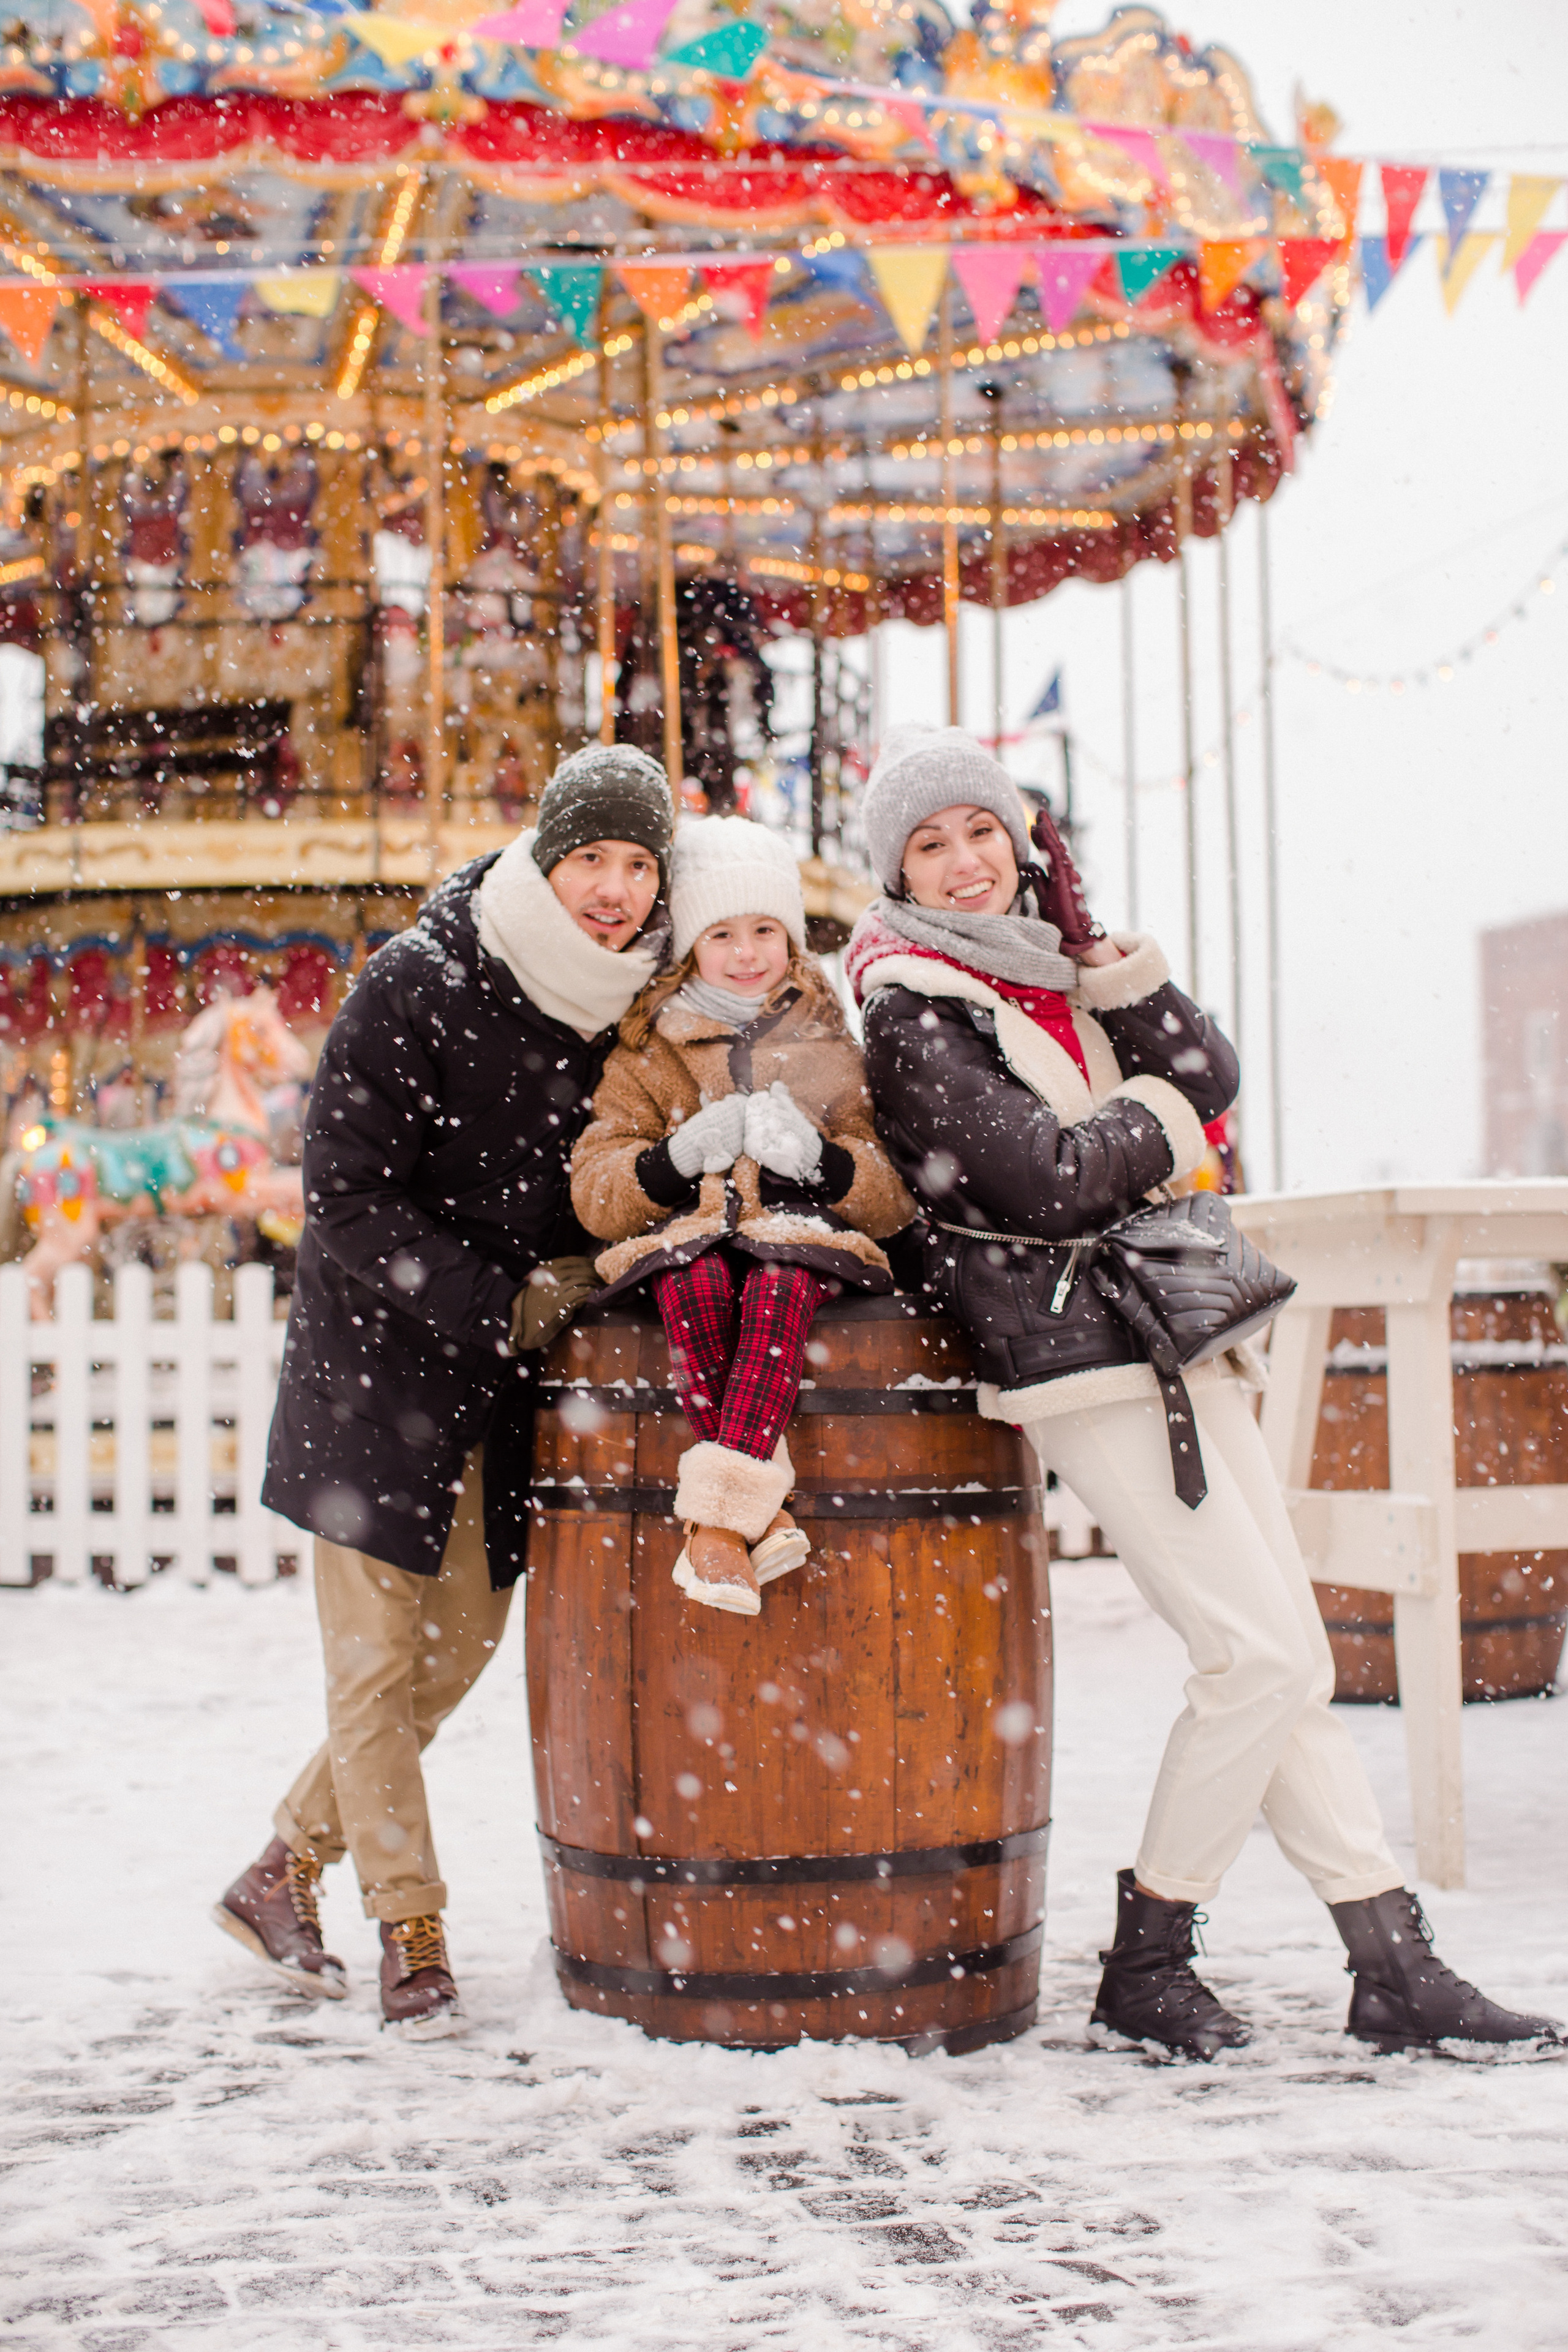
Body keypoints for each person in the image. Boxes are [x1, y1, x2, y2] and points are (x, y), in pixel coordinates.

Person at [848, 724, 1557, 2059]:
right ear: (892, 871)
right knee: (1265, 1657)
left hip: (1172, 1329)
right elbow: (1046, 1179)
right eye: (927, 845)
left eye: (980, 831)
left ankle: (1388, 1962)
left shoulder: (1057, 971)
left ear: (1022, 837)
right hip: (1076, 1354)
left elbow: (1210, 1073)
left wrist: (1120, 974)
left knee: (1279, 1657)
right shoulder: (909, 1009)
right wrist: (1164, 1125)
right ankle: (1149, 1955)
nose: (960, 863)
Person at [215, 746, 676, 2035]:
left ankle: (282, 1869)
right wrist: (495, 1297)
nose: (613, 888)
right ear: (543, 856)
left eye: (638, 863)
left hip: (502, 1386)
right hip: (376, 1368)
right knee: (371, 1666)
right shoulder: (417, 983)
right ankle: (407, 1927)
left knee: (458, 1650)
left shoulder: (623, 1006)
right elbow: (347, 1198)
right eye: (589, 856)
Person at [570, 815, 913, 1616]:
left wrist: (823, 1164)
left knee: (777, 1284)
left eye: (766, 929)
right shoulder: (646, 1052)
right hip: (690, 1234)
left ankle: (718, 1528)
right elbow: (595, 1188)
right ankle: (766, 1513)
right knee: (694, 1282)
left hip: (801, 1236)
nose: (749, 951)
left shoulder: (832, 1047)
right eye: (723, 933)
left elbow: (893, 1191)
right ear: (692, 946)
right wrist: (672, 1160)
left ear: (792, 941)